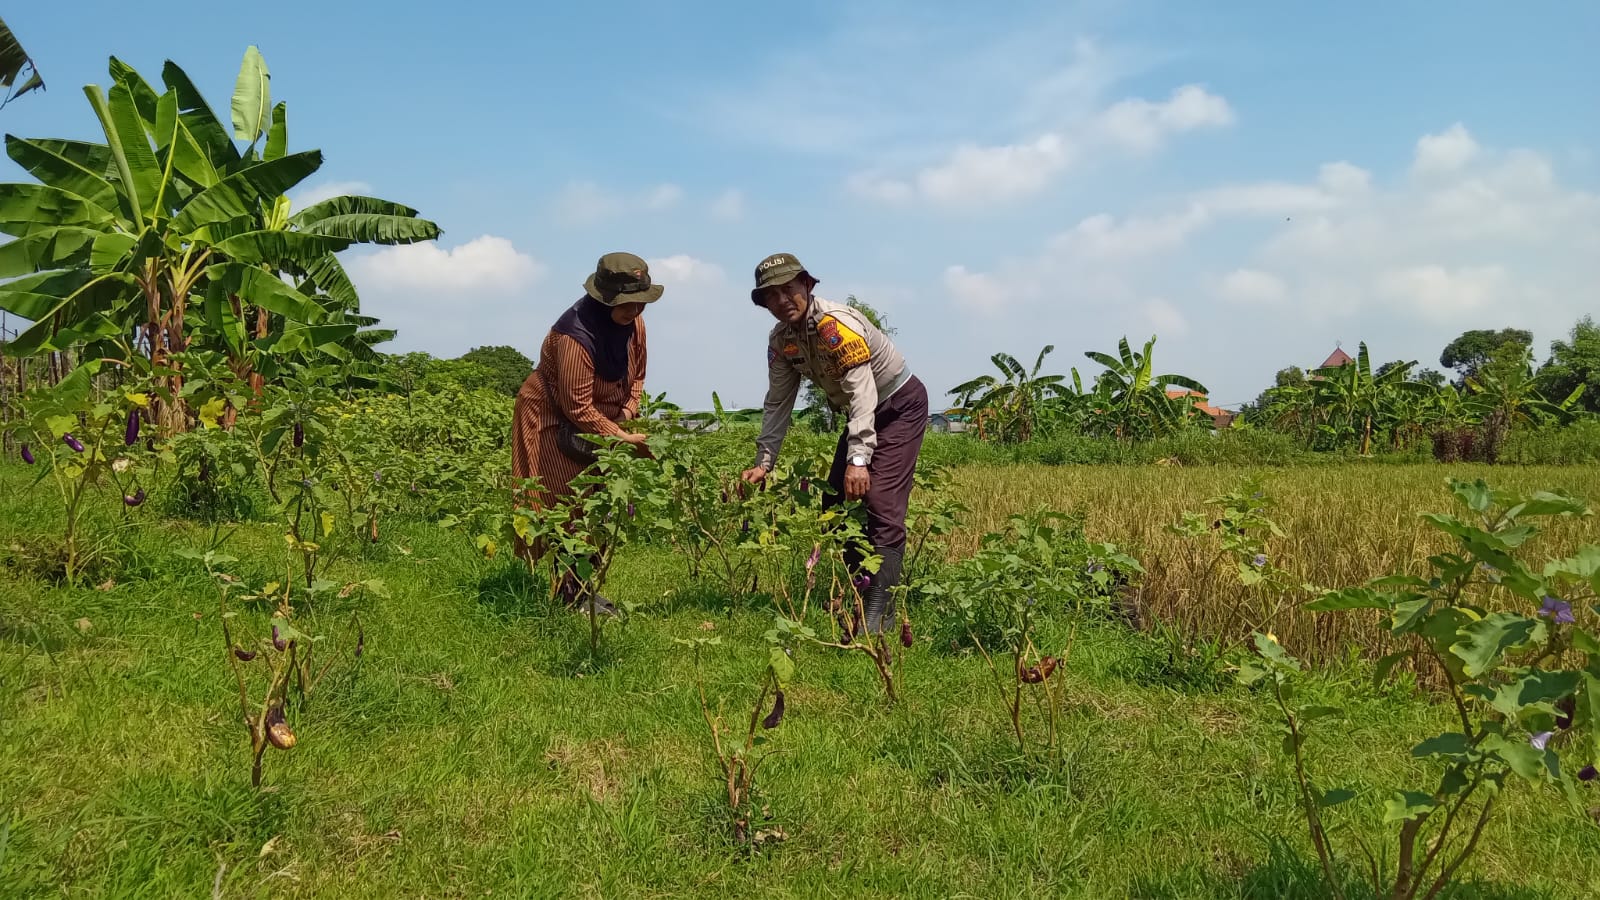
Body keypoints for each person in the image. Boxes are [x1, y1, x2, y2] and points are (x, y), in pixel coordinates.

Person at [740, 253, 928, 635]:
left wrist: (858, 459)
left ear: (807, 286)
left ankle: (881, 611)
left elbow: (861, 392)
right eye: (771, 296)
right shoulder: (782, 342)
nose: (782, 301)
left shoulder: (835, 326)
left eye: (789, 289)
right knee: (834, 500)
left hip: (898, 404)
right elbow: (779, 401)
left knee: (879, 501)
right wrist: (764, 461)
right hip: (864, 411)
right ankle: (859, 589)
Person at [513, 252, 661, 614]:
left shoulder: (633, 323)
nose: (635, 311)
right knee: (564, 503)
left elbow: (637, 376)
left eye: (640, 302)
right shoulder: (574, 336)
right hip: (551, 417)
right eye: (627, 304)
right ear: (603, 299)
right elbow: (576, 406)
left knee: (596, 501)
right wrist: (623, 439)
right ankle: (568, 598)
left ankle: (582, 593)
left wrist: (627, 413)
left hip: (603, 422)